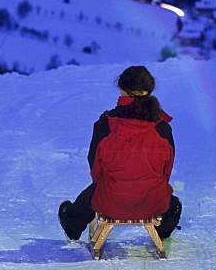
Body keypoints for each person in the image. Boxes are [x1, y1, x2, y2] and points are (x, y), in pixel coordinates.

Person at [58, 65, 182, 241]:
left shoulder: (106, 124)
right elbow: (166, 171)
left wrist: (108, 185)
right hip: (153, 203)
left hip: (110, 202)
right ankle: (162, 231)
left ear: (122, 89)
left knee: (94, 192)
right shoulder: (162, 128)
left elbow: (95, 165)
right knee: (174, 203)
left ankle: (73, 224)